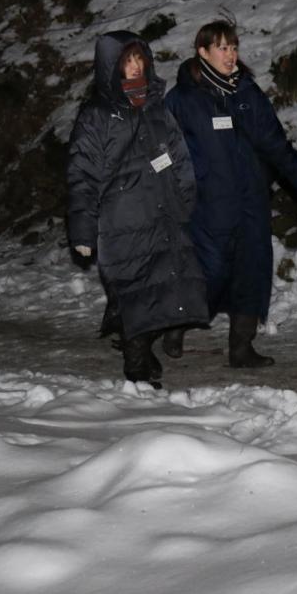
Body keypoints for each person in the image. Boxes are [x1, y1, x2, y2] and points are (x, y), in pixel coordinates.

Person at [165, 21, 297, 368]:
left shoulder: (247, 92)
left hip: (251, 199)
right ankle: (177, 323)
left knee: (252, 270)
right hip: (208, 204)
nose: (231, 55)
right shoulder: (183, 99)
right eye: (222, 48)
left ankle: (241, 346)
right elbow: (163, 149)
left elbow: (273, 139)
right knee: (210, 272)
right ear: (202, 52)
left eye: (234, 47)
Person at [66, 31, 208, 388]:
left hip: (162, 213)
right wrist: (83, 229)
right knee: (135, 292)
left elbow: (178, 156)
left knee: (163, 290)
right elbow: (82, 172)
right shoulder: (97, 115)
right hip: (121, 220)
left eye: (139, 59)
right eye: (127, 61)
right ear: (111, 67)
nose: (135, 66)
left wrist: (187, 199)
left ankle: (141, 348)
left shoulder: (155, 105)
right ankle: (137, 369)